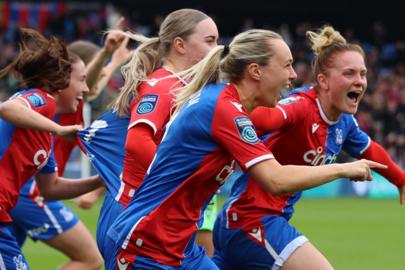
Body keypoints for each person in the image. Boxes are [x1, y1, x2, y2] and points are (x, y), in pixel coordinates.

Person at [103, 28, 386, 269]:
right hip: (146, 246)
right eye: (286, 65)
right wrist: (343, 168)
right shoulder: (223, 108)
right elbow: (275, 180)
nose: (292, 76)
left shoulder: (229, 106)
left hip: (181, 248)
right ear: (255, 71)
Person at [211, 25, 405, 270]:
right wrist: (227, 112)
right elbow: (262, 118)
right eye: (349, 74)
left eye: (363, 74)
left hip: (255, 219)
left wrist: (400, 178)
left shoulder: (344, 123)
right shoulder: (300, 106)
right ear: (323, 81)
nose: (359, 81)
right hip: (252, 218)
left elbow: (370, 150)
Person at [76, 8, 220, 256]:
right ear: (180, 45)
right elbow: (137, 141)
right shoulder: (164, 85)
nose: (218, 48)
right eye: (210, 41)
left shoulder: (184, 87)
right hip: (136, 212)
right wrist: (181, 183)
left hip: (153, 210)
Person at [8, 24, 130, 270]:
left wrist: (112, 59)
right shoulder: (60, 106)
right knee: (91, 258)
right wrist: (106, 54)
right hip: (30, 191)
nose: (87, 87)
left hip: (21, 190)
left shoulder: (56, 103)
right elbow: (94, 84)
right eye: (81, 78)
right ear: (65, 78)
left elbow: (95, 82)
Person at [0, 28, 102, 269]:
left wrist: (101, 180)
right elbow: (8, 109)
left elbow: (50, 188)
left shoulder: (43, 134)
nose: (87, 89)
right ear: (60, 82)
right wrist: (58, 130)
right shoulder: (41, 98)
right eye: (82, 80)